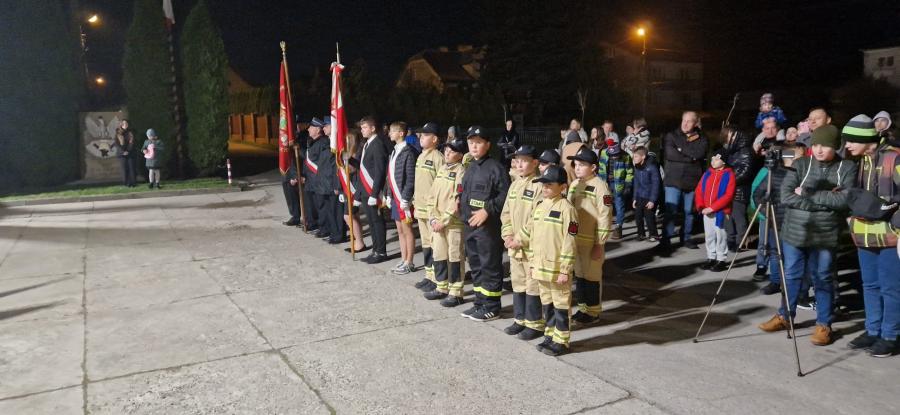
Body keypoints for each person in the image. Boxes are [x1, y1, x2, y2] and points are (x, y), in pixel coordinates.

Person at [758, 125, 856, 346]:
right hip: (795, 231)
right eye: (816, 145)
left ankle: (824, 324)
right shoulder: (801, 164)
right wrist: (825, 202)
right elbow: (786, 196)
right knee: (791, 275)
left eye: (825, 146)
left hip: (825, 234)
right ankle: (785, 315)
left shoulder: (847, 167)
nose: (819, 150)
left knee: (823, 277)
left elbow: (844, 200)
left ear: (835, 146)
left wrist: (807, 194)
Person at [842, 114, 900, 358]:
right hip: (864, 236)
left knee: (891, 288)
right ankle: (873, 330)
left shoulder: (894, 158)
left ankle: (891, 335)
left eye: (851, 140)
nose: (847, 145)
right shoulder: (861, 161)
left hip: (890, 238)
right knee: (870, 285)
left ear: (866, 139)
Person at [510, 165, 579, 356]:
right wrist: (517, 241)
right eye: (543, 185)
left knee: (561, 305)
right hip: (540, 267)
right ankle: (550, 335)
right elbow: (529, 230)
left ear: (563, 187)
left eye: (549, 185)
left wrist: (565, 269)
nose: (545, 188)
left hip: (557, 269)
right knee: (547, 303)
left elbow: (570, 241)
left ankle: (561, 340)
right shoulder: (540, 207)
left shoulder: (567, 210)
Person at [458, 126, 510, 322]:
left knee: (490, 266)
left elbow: (505, 195)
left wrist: (487, 209)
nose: (474, 146)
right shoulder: (471, 167)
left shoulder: (496, 168)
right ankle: (480, 303)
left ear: (488, 145)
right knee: (476, 266)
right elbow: (465, 191)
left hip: (488, 228)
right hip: (470, 225)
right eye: (471, 142)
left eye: (478, 143)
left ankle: (492, 307)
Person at [500, 145, 545, 339]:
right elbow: (506, 213)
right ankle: (520, 320)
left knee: (532, 284)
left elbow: (537, 218)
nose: (519, 164)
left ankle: (534, 324)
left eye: (524, 161)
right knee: (518, 283)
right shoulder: (515, 184)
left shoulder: (539, 186)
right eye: (517, 160)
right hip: (515, 246)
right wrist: (508, 235)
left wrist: (519, 238)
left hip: (531, 246)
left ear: (535, 163)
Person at [567, 147, 614, 324]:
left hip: (591, 242)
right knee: (580, 276)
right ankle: (583, 308)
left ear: (593, 167)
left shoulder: (600, 187)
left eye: (582, 165)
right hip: (575, 240)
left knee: (592, 277)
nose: (577, 168)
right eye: (575, 164)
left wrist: (599, 244)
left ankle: (593, 312)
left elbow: (605, 216)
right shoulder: (575, 184)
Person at [750, 146, 802, 294]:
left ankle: (792, 286)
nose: (802, 161)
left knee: (794, 255)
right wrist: (766, 211)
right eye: (798, 157)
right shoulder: (774, 174)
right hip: (776, 220)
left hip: (796, 222)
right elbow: (758, 194)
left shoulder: (803, 175)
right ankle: (775, 281)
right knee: (775, 253)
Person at [423, 137, 469, 306]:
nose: (447, 154)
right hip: (437, 223)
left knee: (455, 257)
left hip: (452, 223)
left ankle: (456, 292)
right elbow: (432, 195)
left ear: (460, 155)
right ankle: (441, 286)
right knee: (439, 254)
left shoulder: (461, 172)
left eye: (452, 151)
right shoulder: (442, 169)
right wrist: (433, 218)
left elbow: (457, 199)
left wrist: (444, 220)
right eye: (446, 150)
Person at [661, 111, 709, 250]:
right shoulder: (672, 136)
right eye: (684, 120)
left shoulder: (702, 138)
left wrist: (681, 149)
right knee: (671, 211)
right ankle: (666, 239)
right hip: (673, 180)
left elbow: (699, 154)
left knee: (690, 212)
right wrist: (691, 158)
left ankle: (686, 237)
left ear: (695, 123)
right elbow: (670, 154)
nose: (685, 124)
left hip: (692, 180)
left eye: (689, 121)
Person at [694, 149, 736, 272]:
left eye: (717, 159)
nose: (713, 161)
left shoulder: (729, 175)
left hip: (720, 212)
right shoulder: (707, 173)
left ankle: (721, 259)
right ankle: (711, 257)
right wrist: (701, 206)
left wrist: (712, 208)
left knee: (721, 236)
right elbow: (699, 190)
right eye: (712, 159)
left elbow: (728, 195)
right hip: (706, 211)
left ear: (724, 162)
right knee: (709, 235)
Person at [385, 121, 419, 274]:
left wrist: (406, 198)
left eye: (392, 131)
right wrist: (388, 194)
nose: (389, 134)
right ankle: (403, 258)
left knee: (407, 229)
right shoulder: (394, 150)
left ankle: (409, 262)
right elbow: (390, 176)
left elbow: (410, 178)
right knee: (399, 229)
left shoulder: (408, 152)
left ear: (401, 133)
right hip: (395, 196)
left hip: (403, 198)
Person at [413, 122, 444, 287]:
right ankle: (429, 274)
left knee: (435, 244)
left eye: (425, 135)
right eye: (421, 135)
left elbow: (441, 185)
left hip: (432, 210)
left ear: (435, 139)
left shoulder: (438, 158)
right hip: (420, 207)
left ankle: (437, 278)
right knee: (425, 243)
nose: (421, 138)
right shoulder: (421, 156)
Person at [355, 116, 390, 264]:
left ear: (373, 128)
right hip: (365, 190)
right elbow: (362, 168)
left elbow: (380, 171)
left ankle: (381, 252)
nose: (362, 130)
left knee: (377, 221)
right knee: (371, 221)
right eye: (361, 127)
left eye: (364, 127)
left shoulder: (377, 144)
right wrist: (348, 159)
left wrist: (375, 193)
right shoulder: (367, 144)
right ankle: (375, 250)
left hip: (373, 190)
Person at [721, 127, 756, 252]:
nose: (729, 137)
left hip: (739, 190)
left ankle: (740, 242)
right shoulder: (732, 150)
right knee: (728, 217)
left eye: (731, 134)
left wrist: (729, 181)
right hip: (729, 190)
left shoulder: (745, 151)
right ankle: (730, 240)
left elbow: (745, 171)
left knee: (739, 217)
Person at [598, 134, 633, 239]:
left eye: (616, 155)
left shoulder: (626, 156)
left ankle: (618, 227)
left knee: (619, 205)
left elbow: (630, 172)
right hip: (605, 184)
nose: (614, 157)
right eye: (612, 155)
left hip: (619, 184)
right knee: (604, 205)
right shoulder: (603, 153)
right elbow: (601, 168)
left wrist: (627, 185)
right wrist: (599, 181)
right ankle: (603, 226)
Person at [339, 130, 367, 253]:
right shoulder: (346, 152)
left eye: (347, 139)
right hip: (348, 188)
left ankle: (359, 242)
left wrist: (349, 159)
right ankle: (359, 242)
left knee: (348, 216)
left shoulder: (359, 151)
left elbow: (359, 167)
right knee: (353, 216)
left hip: (354, 187)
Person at [632, 146, 661, 241]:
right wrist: (634, 198)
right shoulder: (637, 167)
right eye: (634, 156)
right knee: (638, 216)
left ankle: (654, 235)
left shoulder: (652, 167)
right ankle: (641, 234)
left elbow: (656, 184)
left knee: (649, 217)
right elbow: (636, 183)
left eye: (636, 156)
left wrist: (652, 200)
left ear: (643, 157)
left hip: (649, 197)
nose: (634, 158)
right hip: (640, 196)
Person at [113, 119, 136, 187]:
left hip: (130, 153)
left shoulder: (130, 133)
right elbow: (116, 144)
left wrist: (128, 151)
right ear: (121, 125)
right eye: (124, 123)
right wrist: (123, 152)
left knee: (131, 168)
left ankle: (133, 183)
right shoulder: (118, 133)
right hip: (122, 154)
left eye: (126, 123)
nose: (125, 125)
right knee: (124, 169)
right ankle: (126, 183)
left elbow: (132, 143)